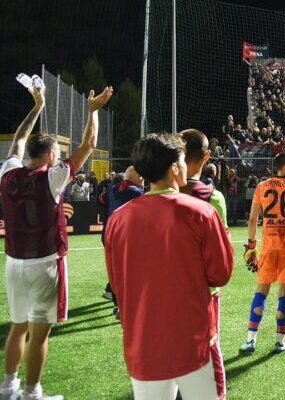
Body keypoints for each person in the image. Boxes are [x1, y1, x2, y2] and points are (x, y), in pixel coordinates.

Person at [0, 85, 112, 400]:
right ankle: (32, 392)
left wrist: (37, 106)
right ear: (50, 156)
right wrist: (92, 111)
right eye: (58, 155)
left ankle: (8, 388)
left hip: (13, 263)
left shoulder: (8, 174)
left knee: (17, 328)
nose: (60, 159)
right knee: (39, 333)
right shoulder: (51, 176)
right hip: (45, 264)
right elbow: (89, 143)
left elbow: (20, 139)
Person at [105, 133, 234, 400]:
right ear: (175, 168)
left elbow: (117, 283)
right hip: (192, 337)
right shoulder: (201, 212)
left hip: (143, 339)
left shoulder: (117, 219)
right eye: (182, 160)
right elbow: (220, 274)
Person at [240, 152, 285, 354]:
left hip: (269, 245)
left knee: (262, 290)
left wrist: (251, 244)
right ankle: (280, 342)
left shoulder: (263, 186)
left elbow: (253, 218)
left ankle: (250, 340)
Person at [179, 129, 229, 399]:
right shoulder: (212, 197)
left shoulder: (149, 195)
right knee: (209, 349)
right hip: (203, 292)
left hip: (162, 288)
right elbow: (221, 260)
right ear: (207, 156)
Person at [99, 165, 144, 318]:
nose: (142, 179)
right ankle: (128, 305)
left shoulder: (114, 189)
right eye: (140, 176)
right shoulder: (135, 192)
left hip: (109, 236)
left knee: (115, 273)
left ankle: (118, 305)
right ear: (131, 177)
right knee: (130, 273)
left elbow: (101, 200)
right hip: (126, 239)